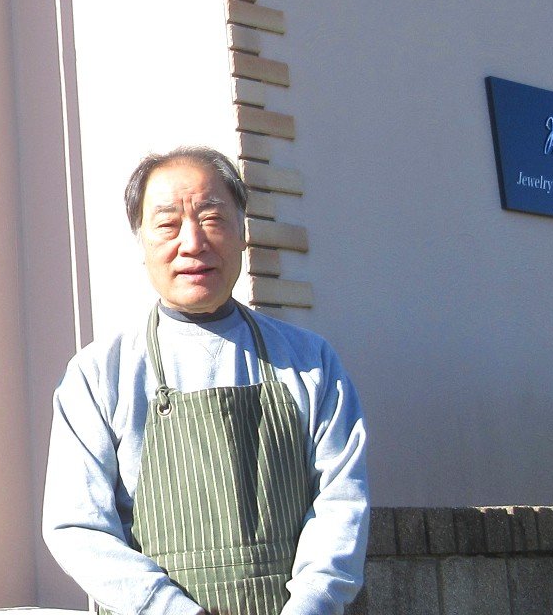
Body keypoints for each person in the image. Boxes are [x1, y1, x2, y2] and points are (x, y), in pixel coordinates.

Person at [42, 147, 367, 615]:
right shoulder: (99, 374)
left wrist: (311, 605)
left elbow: (341, 501)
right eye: (168, 224)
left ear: (242, 233)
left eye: (212, 219)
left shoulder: (309, 361)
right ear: (142, 243)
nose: (193, 243)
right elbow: (78, 527)